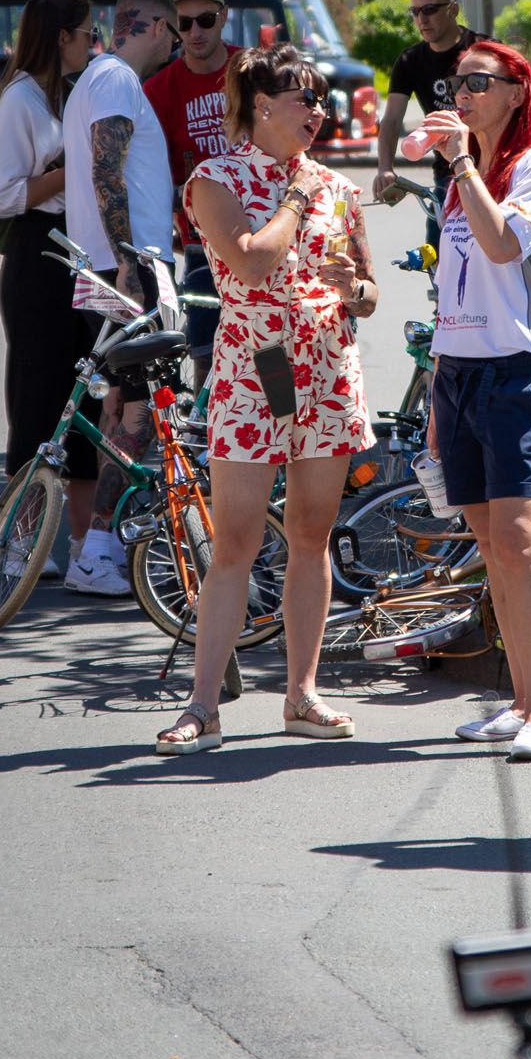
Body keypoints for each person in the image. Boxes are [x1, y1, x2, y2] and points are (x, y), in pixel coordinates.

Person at [155, 45, 377, 753]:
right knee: (238, 542)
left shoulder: (339, 188)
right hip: (259, 367)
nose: (319, 112)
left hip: (328, 366)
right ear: (260, 106)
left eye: (321, 100)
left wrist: (355, 289)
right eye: (304, 98)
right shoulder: (214, 179)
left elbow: (367, 292)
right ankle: (202, 707)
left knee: (312, 533)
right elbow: (250, 261)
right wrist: (293, 197)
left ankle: (301, 694)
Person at [421, 41, 531, 762]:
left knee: (519, 539)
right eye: (458, 83)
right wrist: (434, 388)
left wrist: (459, 164)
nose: (463, 93)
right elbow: (453, 288)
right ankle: (518, 701)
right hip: (461, 376)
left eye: (479, 82)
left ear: (516, 92)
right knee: (490, 545)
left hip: (520, 373)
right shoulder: (463, 178)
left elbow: (504, 245)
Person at [62, 0, 180, 596]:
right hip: (123, 269)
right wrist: (132, 261)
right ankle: (97, 551)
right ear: (156, 26)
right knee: (137, 405)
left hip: (107, 267)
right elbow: (105, 170)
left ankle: (96, 544)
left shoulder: (97, 79)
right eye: (175, 33)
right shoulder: (115, 80)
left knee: (119, 402)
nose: (176, 48)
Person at [0, 0, 97, 577]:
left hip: (75, 256)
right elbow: (0, 195)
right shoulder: (22, 99)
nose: (91, 43)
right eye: (86, 33)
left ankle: (85, 550)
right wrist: (68, 171)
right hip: (36, 256)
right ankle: (17, 546)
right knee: (37, 401)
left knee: (84, 402)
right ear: (60, 37)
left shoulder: (66, 93)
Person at [144, 0, 240, 390]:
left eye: (206, 19)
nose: (195, 31)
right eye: (184, 24)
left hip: (266, 233)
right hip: (202, 246)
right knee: (206, 357)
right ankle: (208, 447)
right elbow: (151, 174)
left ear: (224, 18)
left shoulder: (251, 70)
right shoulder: (159, 88)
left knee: (273, 355)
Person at [372, 0, 486, 202]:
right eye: (414, 11)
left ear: (453, 9)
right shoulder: (410, 61)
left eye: (430, 9)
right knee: (438, 237)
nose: (421, 19)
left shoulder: (484, 50)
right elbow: (392, 119)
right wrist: (385, 168)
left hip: (490, 168)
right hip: (448, 174)